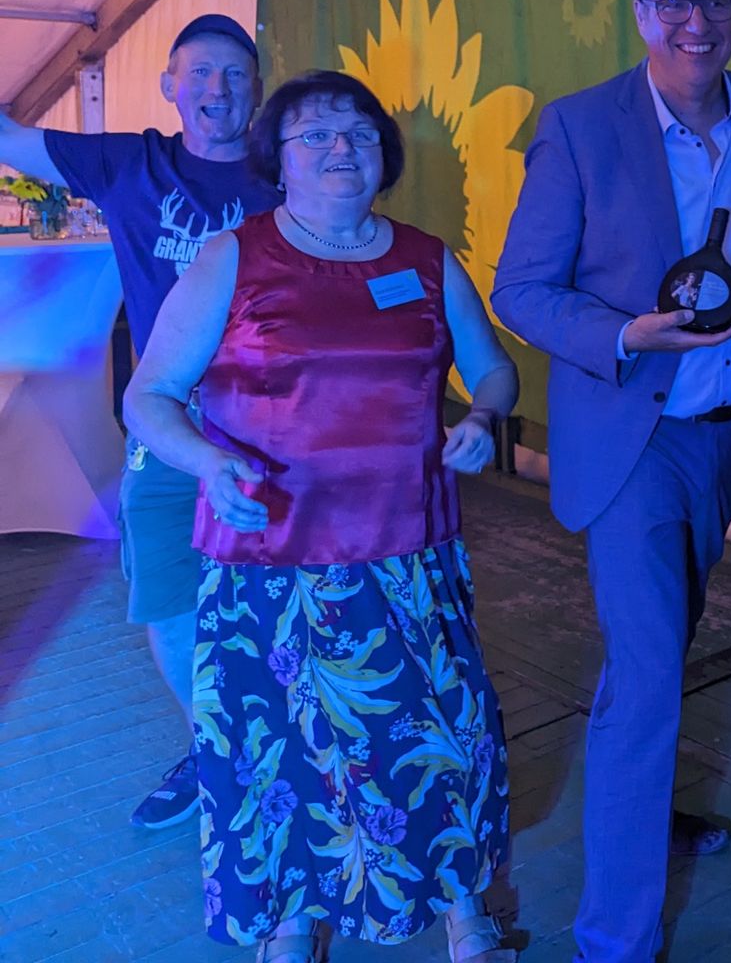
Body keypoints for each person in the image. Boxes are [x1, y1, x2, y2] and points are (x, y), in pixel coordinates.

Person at [124, 70, 519, 959]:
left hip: (409, 553)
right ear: (278, 159)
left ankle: (465, 910)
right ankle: (292, 920)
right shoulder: (232, 257)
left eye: (360, 133)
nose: (342, 147)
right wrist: (208, 461)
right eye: (316, 133)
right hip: (269, 558)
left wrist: (484, 417)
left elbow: (492, 368)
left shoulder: (425, 259)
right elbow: (148, 396)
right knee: (283, 753)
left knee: (440, 738)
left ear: (384, 155)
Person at [492, 0, 731, 962]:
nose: (695, 24)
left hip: (729, 435)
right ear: (639, 13)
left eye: (713, 2)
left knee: (660, 659)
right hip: (637, 439)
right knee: (644, 678)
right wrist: (625, 334)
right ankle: (615, 939)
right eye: (672, 4)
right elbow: (519, 290)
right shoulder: (581, 128)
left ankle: (639, 815)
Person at [0, 13, 279, 828]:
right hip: (167, 424)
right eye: (200, 73)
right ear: (169, 86)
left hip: (273, 422)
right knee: (166, 594)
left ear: (257, 88)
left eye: (235, 73)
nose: (217, 89)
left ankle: (283, 749)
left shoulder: (288, 173)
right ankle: (215, 749)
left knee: (280, 595)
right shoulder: (129, 163)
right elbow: (11, 142)